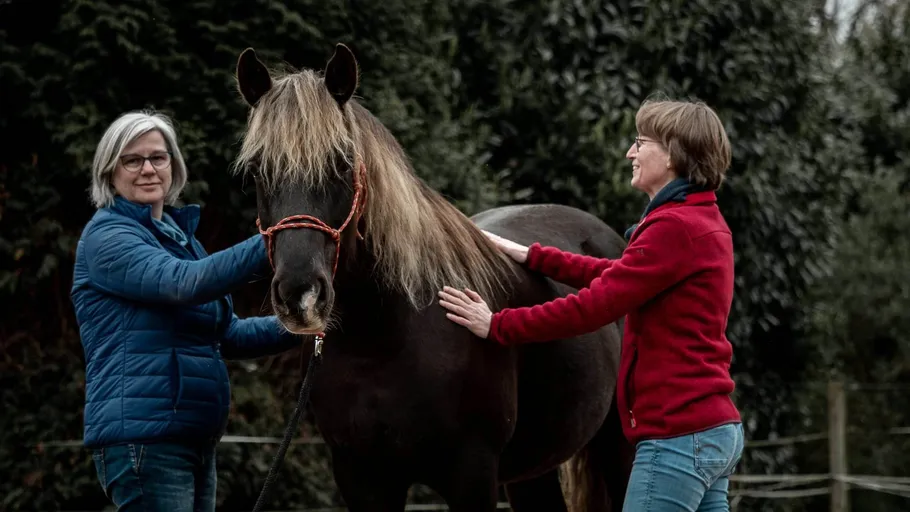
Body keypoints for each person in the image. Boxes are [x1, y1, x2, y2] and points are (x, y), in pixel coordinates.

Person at [438, 98, 745, 511]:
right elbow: (621, 273)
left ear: (672, 153)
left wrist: (497, 325)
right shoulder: (700, 220)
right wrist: (535, 257)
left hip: (677, 439)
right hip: (711, 429)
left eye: (640, 142)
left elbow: (594, 307)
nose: (630, 153)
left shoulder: (673, 227)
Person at [71, 110, 300, 511]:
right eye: (132, 159)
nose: (148, 169)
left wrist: (306, 324)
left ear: (174, 166)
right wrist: (282, 235)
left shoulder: (180, 239)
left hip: (194, 436)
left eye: (158, 157)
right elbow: (183, 282)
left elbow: (227, 334)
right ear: (109, 172)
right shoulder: (107, 236)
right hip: (145, 440)